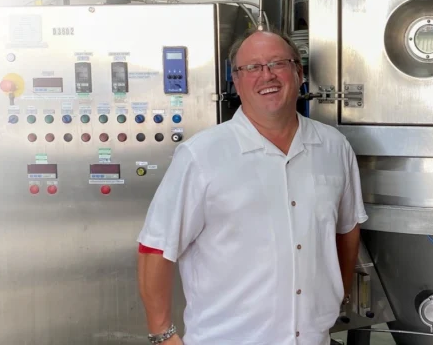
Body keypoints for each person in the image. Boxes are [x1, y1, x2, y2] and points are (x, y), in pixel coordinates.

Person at [136, 28, 368, 345]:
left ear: (299, 73)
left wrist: (337, 295)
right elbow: (156, 247)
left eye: (278, 63)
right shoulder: (201, 155)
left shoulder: (334, 147)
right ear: (236, 80)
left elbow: (347, 228)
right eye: (252, 67)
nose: (266, 75)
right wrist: (163, 334)